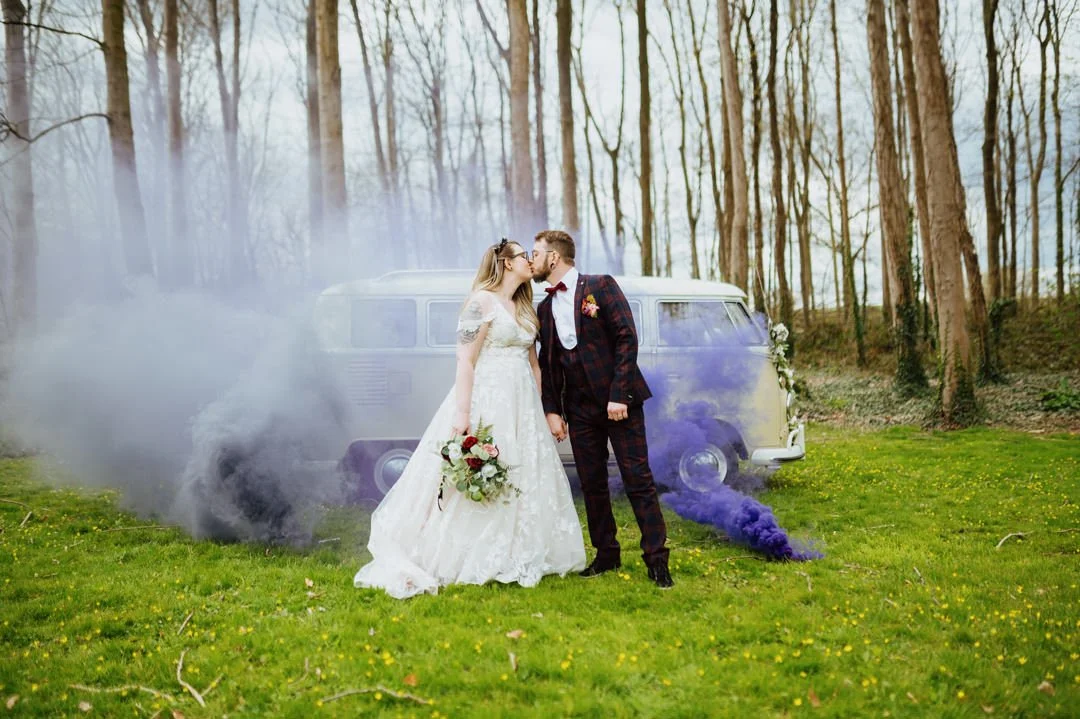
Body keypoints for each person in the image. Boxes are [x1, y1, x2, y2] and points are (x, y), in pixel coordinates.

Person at [354, 239, 586, 599]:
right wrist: (462, 413)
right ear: (506, 263)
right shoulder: (481, 302)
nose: (530, 261)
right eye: (523, 256)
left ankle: (522, 549)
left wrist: (542, 408)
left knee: (527, 472)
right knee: (488, 467)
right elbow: (465, 359)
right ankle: (466, 551)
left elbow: (534, 364)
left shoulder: (526, 307)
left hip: (523, 403)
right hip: (488, 398)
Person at [531, 230, 674, 588]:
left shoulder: (601, 286)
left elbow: (626, 337)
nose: (532, 261)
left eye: (536, 253)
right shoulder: (544, 308)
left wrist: (619, 395)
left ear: (554, 257)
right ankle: (606, 554)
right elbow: (548, 364)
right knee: (592, 484)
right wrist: (552, 410)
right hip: (579, 410)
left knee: (637, 479)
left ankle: (657, 560)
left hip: (619, 403)